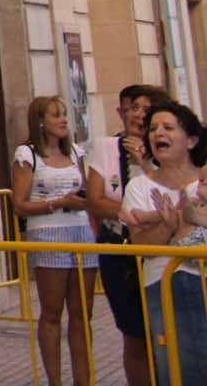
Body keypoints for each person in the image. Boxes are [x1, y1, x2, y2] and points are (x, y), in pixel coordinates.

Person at [11, 95, 97, 386]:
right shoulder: (27, 155)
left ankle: (83, 380)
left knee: (83, 312)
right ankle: (55, 381)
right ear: (40, 122)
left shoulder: (75, 151)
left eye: (64, 114)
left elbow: (87, 192)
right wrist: (59, 202)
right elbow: (20, 204)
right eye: (55, 115)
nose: (63, 120)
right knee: (52, 312)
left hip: (82, 233)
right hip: (48, 232)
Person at [86, 83, 168, 386]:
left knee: (165, 331)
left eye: (146, 109)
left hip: (160, 248)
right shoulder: (107, 147)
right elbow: (95, 201)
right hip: (118, 248)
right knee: (133, 333)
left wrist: (146, 165)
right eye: (133, 108)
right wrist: (132, 213)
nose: (138, 115)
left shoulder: (167, 148)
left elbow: (173, 195)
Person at [121, 101, 207, 386]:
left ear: (192, 139)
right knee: (181, 368)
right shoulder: (140, 187)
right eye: (154, 129)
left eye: (168, 127)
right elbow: (143, 246)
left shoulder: (205, 180)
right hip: (168, 284)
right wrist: (169, 225)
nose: (158, 133)